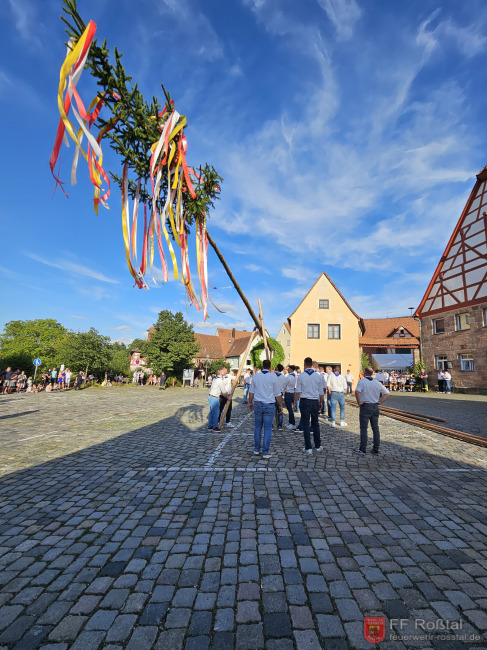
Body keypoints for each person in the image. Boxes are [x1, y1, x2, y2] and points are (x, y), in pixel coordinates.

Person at [248, 359, 282, 459]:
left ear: (262, 366)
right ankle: (265, 451)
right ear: (270, 367)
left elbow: (251, 391)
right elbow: (277, 393)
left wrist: (250, 402)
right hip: (269, 404)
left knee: (257, 427)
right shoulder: (273, 376)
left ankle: (256, 449)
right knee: (267, 428)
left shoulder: (256, 376)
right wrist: (280, 405)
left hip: (258, 403)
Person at [354, 366, 390, 455]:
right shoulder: (377, 383)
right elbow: (387, 393)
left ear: (364, 373)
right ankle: (376, 448)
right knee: (375, 428)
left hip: (366, 405)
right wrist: (380, 402)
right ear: (372, 373)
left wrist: (359, 402)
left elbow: (357, 391)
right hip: (375, 406)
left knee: (364, 428)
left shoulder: (362, 381)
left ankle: (362, 449)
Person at [294, 357, 324, 455]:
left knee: (306, 424)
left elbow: (298, 391)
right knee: (315, 423)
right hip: (315, 401)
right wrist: (321, 402)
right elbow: (321, 392)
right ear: (311, 364)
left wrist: (295, 403)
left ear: (304, 364)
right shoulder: (318, 376)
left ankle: (308, 447)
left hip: (305, 401)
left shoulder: (301, 376)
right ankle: (318, 445)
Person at [207, 367, 231, 431]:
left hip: (211, 396)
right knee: (216, 412)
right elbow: (224, 391)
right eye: (223, 371)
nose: (224, 372)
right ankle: (215, 426)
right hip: (214, 397)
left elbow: (221, 391)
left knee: (212, 412)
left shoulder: (215, 378)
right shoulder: (219, 380)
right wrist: (228, 397)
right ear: (221, 372)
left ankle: (210, 426)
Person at [274, 364, 287, 431]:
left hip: (272, 394)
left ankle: (271, 425)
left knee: (272, 410)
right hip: (280, 393)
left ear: (276, 368)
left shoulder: (273, 375)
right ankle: (280, 425)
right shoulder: (283, 377)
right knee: (280, 409)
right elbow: (284, 386)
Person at [284, 365, 297, 430]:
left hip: (288, 393)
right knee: (290, 409)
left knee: (289, 409)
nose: (287, 369)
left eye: (288, 368)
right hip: (292, 392)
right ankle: (290, 422)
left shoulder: (289, 377)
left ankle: (292, 423)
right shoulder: (294, 376)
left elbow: (285, 384)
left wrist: (282, 390)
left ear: (291, 369)